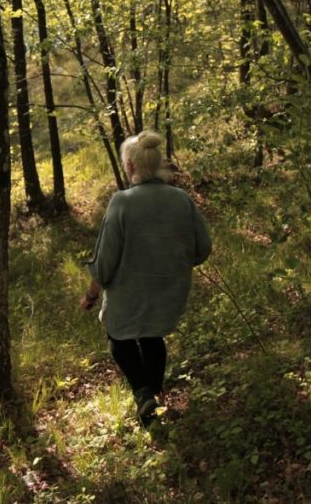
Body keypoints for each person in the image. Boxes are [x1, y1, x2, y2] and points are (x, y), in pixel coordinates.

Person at [81, 131, 212, 427]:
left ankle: (143, 394)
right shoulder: (181, 198)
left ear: (130, 166)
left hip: (128, 295)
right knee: (152, 336)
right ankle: (154, 396)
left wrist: (91, 295)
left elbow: (104, 263)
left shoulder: (122, 202)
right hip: (168, 292)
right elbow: (202, 248)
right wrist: (173, 264)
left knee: (118, 337)